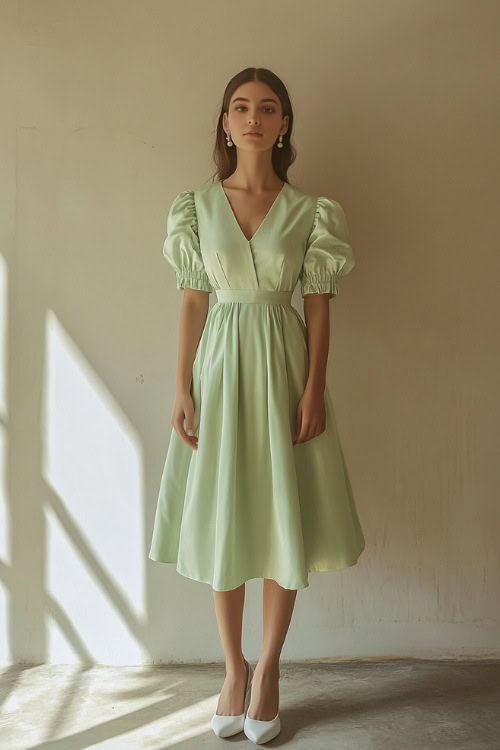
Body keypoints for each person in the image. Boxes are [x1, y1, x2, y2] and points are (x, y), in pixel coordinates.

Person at [148, 67, 366, 744]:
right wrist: (181, 386)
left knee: (279, 516)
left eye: (267, 108)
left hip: (283, 370)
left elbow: (320, 310)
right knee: (223, 517)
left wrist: (313, 389)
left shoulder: (312, 211)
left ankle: (269, 668)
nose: (252, 117)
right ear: (224, 121)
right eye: (240, 107)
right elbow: (191, 300)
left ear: (283, 124)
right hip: (217, 372)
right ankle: (232, 669)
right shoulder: (195, 207)